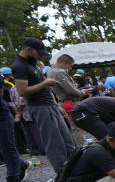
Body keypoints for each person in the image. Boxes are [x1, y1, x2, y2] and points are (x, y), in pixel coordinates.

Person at [11, 37, 75, 172]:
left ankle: (76, 167)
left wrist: (56, 104)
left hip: (50, 105)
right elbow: (22, 91)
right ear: (29, 50)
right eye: (39, 53)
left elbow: (43, 88)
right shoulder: (19, 66)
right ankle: (62, 174)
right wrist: (46, 83)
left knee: (67, 139)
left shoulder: (32, 63)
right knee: (54, 143)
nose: (40, 56)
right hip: (40, 107)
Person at [0, 85, 30, 182]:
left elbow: (1, 93)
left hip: (2, 118)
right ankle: (22, 164)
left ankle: (12, 179)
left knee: (8, 148)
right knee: (4, 149)